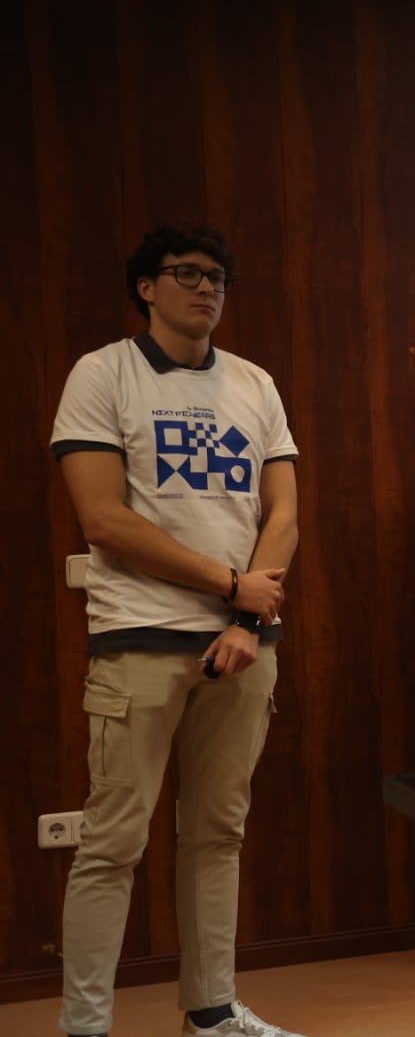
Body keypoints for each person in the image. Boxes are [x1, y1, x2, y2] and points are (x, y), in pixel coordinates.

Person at [51, 224, 303, 1037]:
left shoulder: (255, 383)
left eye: (218, 277)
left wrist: (245, 617)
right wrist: (231, 586)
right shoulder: (103, 373)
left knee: (218, 835)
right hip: (140, 639)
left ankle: (212, 1011)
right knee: (112, 844)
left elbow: (284, 515)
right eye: (187, 274)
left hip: (244, 645)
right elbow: (103, 519)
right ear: (146, 287)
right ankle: (85, 1026)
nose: (206, 289)